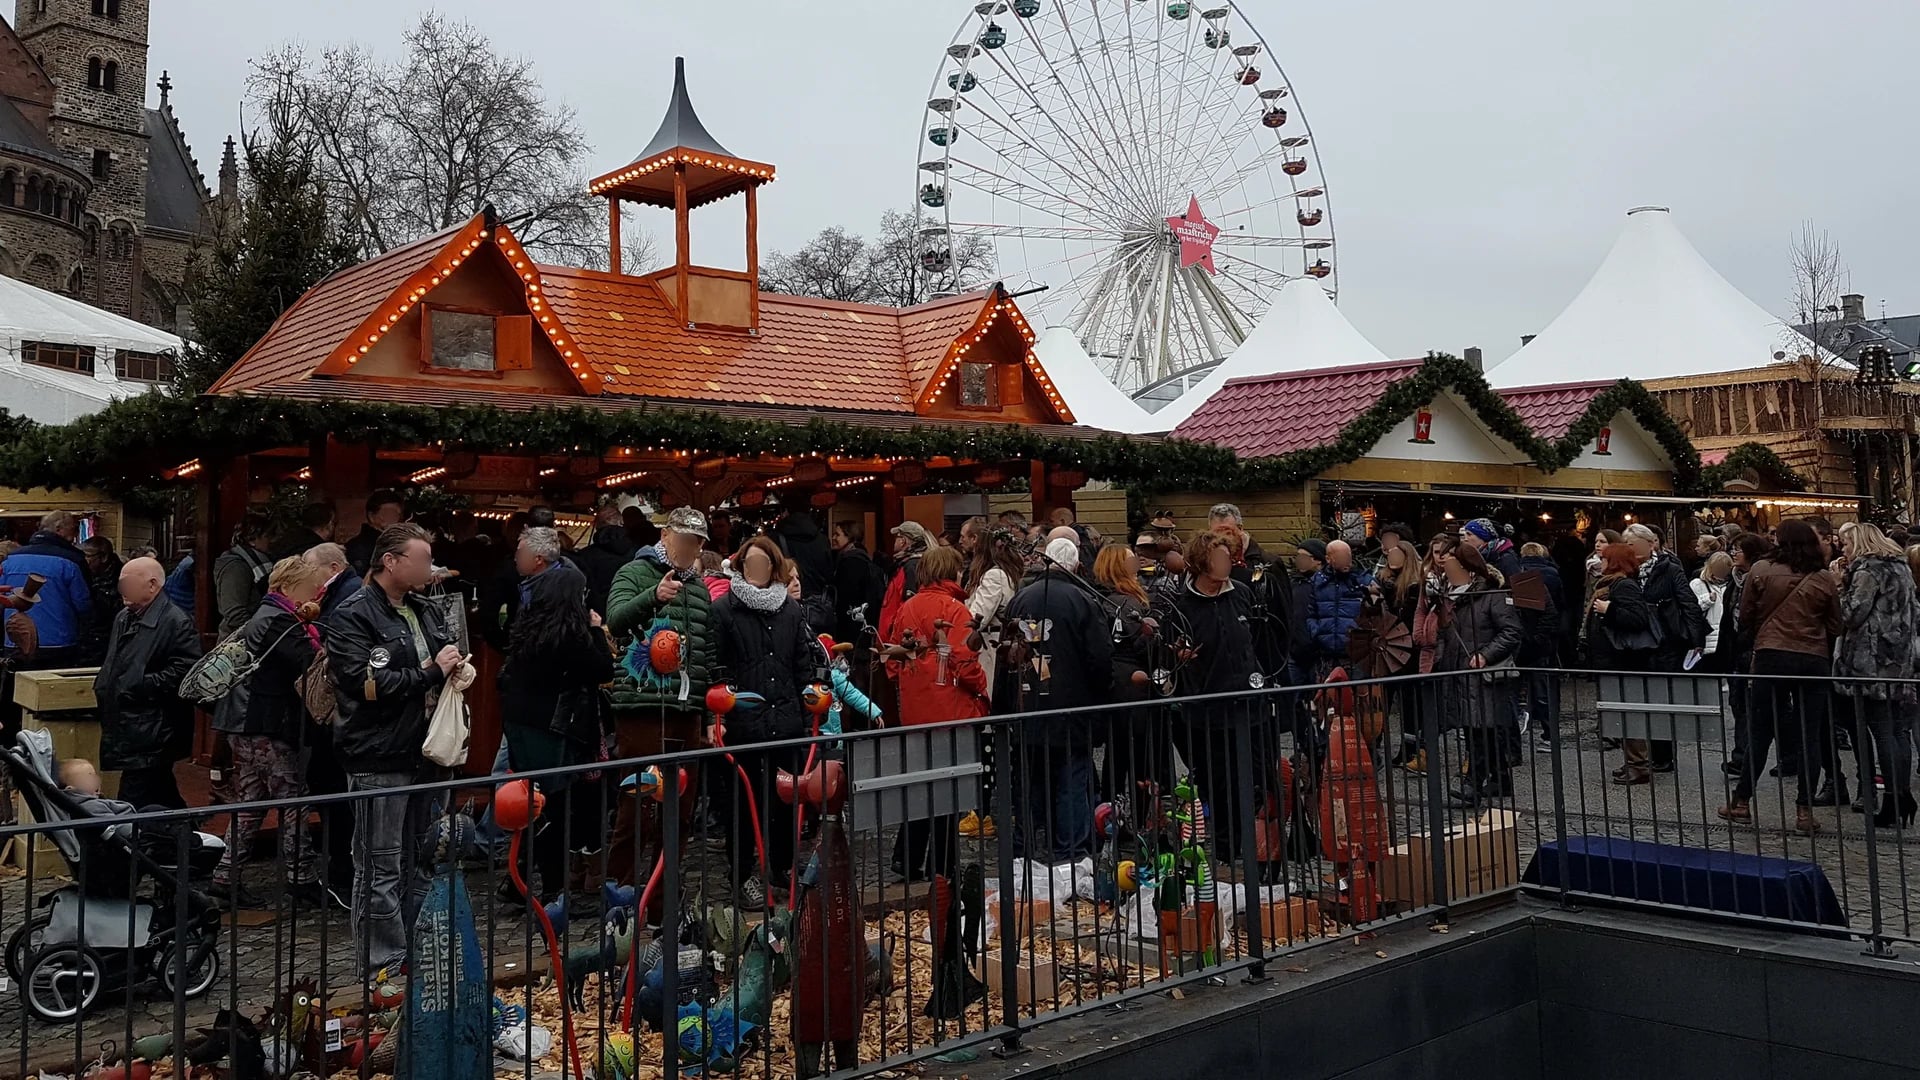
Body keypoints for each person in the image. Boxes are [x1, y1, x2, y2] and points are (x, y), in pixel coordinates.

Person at [326, 523, 463, 977]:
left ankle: (417, 950)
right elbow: (364, 683)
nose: (429, 567)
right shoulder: (353, 613)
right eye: (421, 559)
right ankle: (382, 965)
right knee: (379, 865)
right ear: (391, 561)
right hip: (378, 753)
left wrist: (455, 667)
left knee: (422, 858)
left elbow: (443, 657)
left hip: (427, 750)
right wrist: (428, 672)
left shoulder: (424, 608)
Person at [605, 507, 717, 887]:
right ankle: (617, 894)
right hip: (642, 704)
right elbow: (616, 621)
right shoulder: (633, 573)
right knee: (637, 804)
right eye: (685, 539)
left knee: (682, 809)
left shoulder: (699, 588)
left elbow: (707, 653)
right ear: (665, 535)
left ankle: (662, 899)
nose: (691, 547)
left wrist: (711, 715)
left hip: (687, 709)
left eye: (698, 541)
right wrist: (653, 596)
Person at [212, 556, 328, 907]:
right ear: (291, 588)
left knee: (252, 802)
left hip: (245, 725)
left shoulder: (263, 616)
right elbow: (309, 663)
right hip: (266, 725)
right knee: (294, 799)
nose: (315, 595)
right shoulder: (280, 622)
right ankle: (301, 878)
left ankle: (224, 877)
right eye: (310, 588)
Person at [711, 537, 819, 906]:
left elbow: (801, 664)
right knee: (743, 806)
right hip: (743, 721)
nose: (755, 571)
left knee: (785, 800)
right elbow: (716, 665)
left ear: (774, 569)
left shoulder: (789, 610)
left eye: (762, 564)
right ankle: (741, 876)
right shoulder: (724, 610)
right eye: (748, 564)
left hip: (785, 719)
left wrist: (807, 714)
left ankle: (782, 865)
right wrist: (720, 713)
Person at [502, 562, 614, 902]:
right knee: (553, 809)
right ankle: (553, 892)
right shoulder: (570, 634)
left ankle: (519, 881)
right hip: (554, 729)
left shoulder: (528, 626)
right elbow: (602, 669)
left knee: (533, 807)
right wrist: (595, 629)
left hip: (524, 726)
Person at [1719, 521, 1841, 836]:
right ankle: (1804, 811)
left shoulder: (1761, 570)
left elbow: (1744, 615)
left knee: (1761, 731)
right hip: (1813, 658)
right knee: (1809, 734)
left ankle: (1742, 802)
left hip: (1772, 654)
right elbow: (1835, 624)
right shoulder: (1824, 577)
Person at [1002, 537, 1112, 863]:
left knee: (1031, 781)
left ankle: (1026, 847)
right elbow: (1100, 658)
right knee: (1072, 779)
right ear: (1076, 565)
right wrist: (1099, 695)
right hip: (1071, 705)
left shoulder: (1021, 598)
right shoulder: (1082, 599)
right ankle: (1071, 850)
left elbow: (1008, 653)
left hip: (1028, 703)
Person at [884, 546, 987, 881]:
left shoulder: (907, 607)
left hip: (915, 710)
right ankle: (942, 865)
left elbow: (892, 660)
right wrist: (982, 686)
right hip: (950, 710)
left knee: (919, 787)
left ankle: (906, 857)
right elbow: (963, 659)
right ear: (951, 571)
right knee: (948, 791)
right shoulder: (955, 609)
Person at [1167, 531, 1262, 855]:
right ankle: (1225, 848)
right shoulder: (1183, 606)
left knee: (1254, 776)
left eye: (1228, 557)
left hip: (1249, 704)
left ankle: (1253, 843)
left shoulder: (1242, 594)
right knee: (1217, 781)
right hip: (1207, 707)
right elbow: (1170, 654)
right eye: (1218, 558)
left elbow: (1259, 639)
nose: (1226, 564)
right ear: (1201, 563)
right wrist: (1178, 659)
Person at [93, 557, 201, 810]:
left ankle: (128, 845)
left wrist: (139, 685)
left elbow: (187, 669)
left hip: (153, 726)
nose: (122, 590)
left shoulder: (177, 621)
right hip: (128, 721)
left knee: (135, 795)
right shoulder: (124, 617)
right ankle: (186, 834)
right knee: (160, 790)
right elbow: (117, 663)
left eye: (127, 583)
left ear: (152, 585)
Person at [1831, 522, 1916, 828]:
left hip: (1872, 660)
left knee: (1882, 730)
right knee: (1898, 731)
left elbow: (1852, 614)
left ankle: (1893, 800)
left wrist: (1840, 585)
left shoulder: (1868, 571)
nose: (1843, 549)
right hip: (1898, 658)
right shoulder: (1901, 568)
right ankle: (1902, 795)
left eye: (1846, 544)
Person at [1429, 544, 1522, 807]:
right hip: (1460, 670)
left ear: (1465, 568)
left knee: (1480, 729)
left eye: (1449, 564)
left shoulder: (1493, 594)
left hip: (1483, 672)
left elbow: (1512, 631)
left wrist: (1486, 655)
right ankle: (1500, 779)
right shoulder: (1450, 594)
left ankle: (1472, 784)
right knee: (1481, 729)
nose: (1444, 568)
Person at [1092, 543, 1160, 804]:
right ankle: (1138, 816)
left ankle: (1113, 812)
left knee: (1117, 752)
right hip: (1132, 684)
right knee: (1137, 753)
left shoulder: (1100, 599)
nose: (1137, 566)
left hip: (1114, 683)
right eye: (1131, 562)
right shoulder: (1128, 602)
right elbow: (1139, 644)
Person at [1587, 543, 1659, 783]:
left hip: (1624, 660)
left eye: (1605, 558)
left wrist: (1610, 609)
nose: (1601, 562)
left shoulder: (1624, 586)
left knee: (1630, 713)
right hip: (1614, 659)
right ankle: (1632, 761)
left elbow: (1637, 618)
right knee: (1623, 713)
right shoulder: (1612, 584)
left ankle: (1638, 764)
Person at [1, 510, 93, 666]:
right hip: (58, 644)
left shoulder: (10, 560)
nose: (74, 536)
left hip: (14, 641)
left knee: (16, 688)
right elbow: (84, 606)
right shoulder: (71, 561)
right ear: (59, 529)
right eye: (73, 529)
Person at [1516, 541, 1566, 754]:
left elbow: (1549, 612)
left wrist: (1535, 637)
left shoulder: (1526, 578)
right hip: (1538, 641)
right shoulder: (1552, 573)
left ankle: (1545, 734)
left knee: (1535, 689)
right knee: (1541, 690)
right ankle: (1549, 735)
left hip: (1532, 641)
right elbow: (1558, 606)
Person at [1304, 539, 1373, 680]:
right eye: (1340, 557)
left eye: (1347, 556)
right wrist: (1318, 632)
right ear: (1328, 559)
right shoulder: (1318, 581)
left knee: (1360, 698)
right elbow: (1310, 613)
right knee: (1328, 699)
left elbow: (1376, 613)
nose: (1346, 561)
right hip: (1326, 653)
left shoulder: (1363, 580)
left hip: (1357, 654)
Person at [214, 511, 276, 637]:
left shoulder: (261, 561)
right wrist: (258, 634)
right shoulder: (235, 567)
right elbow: (234, 613)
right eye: (267, 536)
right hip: (238, 642)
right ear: (252, 539)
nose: (272, 540)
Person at [573, 501, 638, 618]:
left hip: (595, 616)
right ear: (621, 522)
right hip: (628, 612)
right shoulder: (637, 552)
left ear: (597, 526)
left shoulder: (584, 555)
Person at [830, 519, 885, 649]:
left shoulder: (851, 562)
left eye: (837, 534)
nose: (833, 538)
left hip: (852, 624)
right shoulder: (858, 558)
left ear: (849, 537)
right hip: (859, 622)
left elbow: (846, 598)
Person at [879, 521, 933, 643]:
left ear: (903, 540)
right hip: (898, 636)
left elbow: (909, 603)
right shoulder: (912, 564)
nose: (895, 542)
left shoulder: (911, 566)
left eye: (897, 537)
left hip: (900, 639)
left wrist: (897, 631)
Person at [344, 490, 407, 578]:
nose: (393, 519)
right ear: (371, 516)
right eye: (388, 513)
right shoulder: (356, 548)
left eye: (397, 515)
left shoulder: (398, 545)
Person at [1690, 552, 1734, 670]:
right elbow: (1691, 609)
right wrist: (1707, 599)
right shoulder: (1698, 584)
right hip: (1707, 636)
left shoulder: (1732, 585)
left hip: (1725, 636)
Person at [307, 542, 363, 620]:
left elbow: (331, 625)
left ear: (333, 569)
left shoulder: (353, 589)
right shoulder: (339, 587)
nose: (307, 576)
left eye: (312, 570)